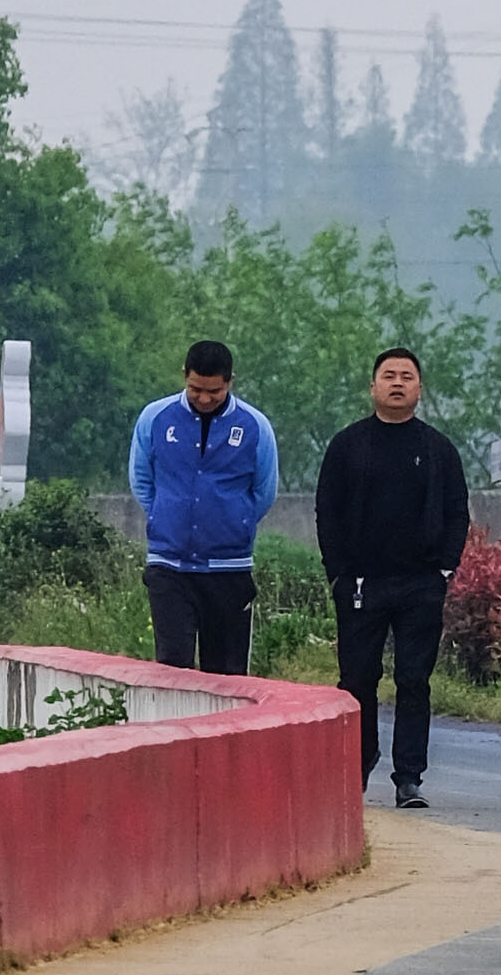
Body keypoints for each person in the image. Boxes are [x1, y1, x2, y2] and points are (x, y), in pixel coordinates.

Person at [314, 345, 470, 804]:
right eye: (388, 375)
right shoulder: (348, 445)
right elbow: (328, 511)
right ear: (373, 386)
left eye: (406, 376)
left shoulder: (438, 449)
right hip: (361, 582)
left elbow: (458, 512)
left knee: (414, 678)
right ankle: (358, 765)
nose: (397, 383)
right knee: (358, 679)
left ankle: (409, 776)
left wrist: (445, 567)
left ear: (420, 388)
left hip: (421, 583)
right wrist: (338, 574)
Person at [125, 337, 280, 673]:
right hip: (169, 565)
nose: (205, 398)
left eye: (215, 391)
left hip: (228, 570)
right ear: (185, 376)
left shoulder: (256, 426)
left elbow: (264, 491)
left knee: (227, 675)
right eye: (196, 389)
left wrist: (233, 522)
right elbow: (141, 479)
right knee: (172, 667)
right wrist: (163, 515)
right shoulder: (155, 418)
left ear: (230, 382)